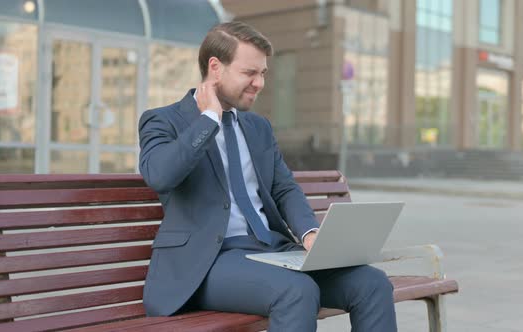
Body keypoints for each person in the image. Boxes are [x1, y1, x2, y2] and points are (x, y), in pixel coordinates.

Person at [138, 21, 397, 331]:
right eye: (250, 73)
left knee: (372, 283)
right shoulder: (162, 120)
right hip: (206, 264)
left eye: (263, 74)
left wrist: (310, 234)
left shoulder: (257, 127)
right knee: (296, 291)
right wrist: (208, 120)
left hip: (271, 253)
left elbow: (284, 187)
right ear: (216, 67)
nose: (259, 83)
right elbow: (159, 175)